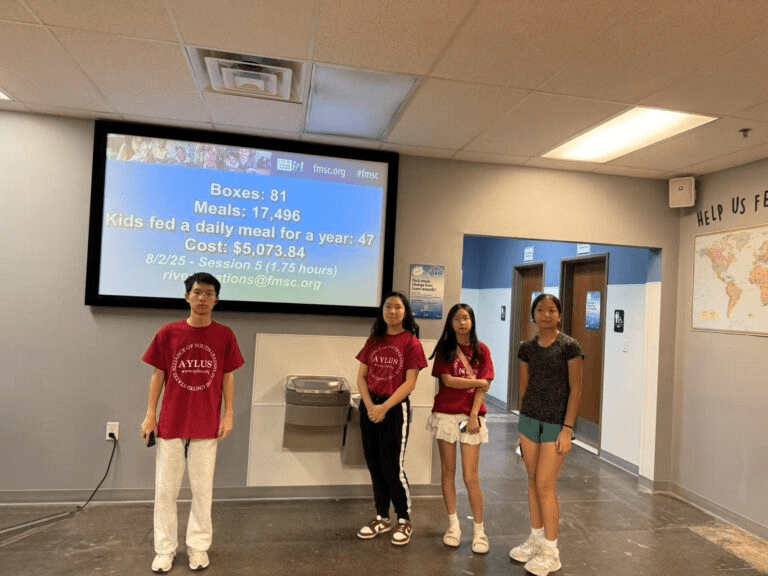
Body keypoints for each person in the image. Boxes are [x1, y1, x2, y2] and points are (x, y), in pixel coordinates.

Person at [140, 272, 245, 573]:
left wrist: (229, 413)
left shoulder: (225, 335)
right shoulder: (168, 333)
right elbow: (158, 374)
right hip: (171, 421)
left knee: (202, 490)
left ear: (216, 299)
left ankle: (198, 547)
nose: (202, 298)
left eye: (209, 293)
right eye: (197, 292)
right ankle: (164, 549)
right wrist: (150, 414)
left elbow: (228, 375)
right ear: (187, 296)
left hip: (206, 422)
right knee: (166, 490)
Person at [509, 293, 583, 576]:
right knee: (531, 481)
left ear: (559, 315)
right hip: (529, 421)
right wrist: (521, 424)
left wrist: (568, 428)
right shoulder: (527, 348)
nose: (546, 315)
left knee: (545, 485)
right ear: (534, 314)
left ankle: (552, 552)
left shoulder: (569, 346)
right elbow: (524, 387)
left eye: (552, 310)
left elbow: (576, 389)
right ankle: (536, 539)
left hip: (556, 425)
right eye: (540, 310)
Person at [355, 291, 428, 546]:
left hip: (395, 409)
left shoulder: (411, 342)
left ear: (405, 312)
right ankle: (381, 517)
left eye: (398, 307)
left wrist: (384, 407)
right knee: (374, 465)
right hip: (369, 408)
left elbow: (410, 383)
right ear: (382, 311)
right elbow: (361, 377)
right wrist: (369, 406)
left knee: (392, 467)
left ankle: (404, 519)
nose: (393, 311)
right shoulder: (374, 339)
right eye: (388, 307)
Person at [428, 304, 494, 554]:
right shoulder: (445, 349)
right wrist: (479, 381)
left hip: (471, 416)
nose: (462, 323)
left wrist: (475, 415)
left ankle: (480, 530)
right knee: (448, 471)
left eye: (466, 318)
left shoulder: (482, 350)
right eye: (457, 319)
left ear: (472, 321)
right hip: (445, 414)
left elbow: (483, 389)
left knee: (470, 476)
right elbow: (448, 381)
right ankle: (453, 526)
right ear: (451, 323)